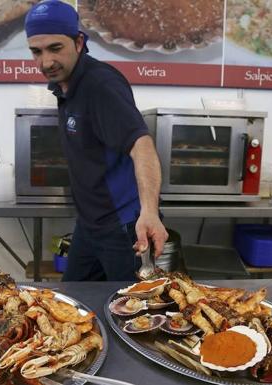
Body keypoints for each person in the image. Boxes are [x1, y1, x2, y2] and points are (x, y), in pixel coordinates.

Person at [24, 0, 168, 281]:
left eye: (55, 48)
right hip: (90, 226)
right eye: (36, 51)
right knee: (75, 302)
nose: (46, 62)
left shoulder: (100, 85)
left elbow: (142, 145)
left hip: (123, 227)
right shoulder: (64, 84)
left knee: (131, 312)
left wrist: (150, 212)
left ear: (79, 42)